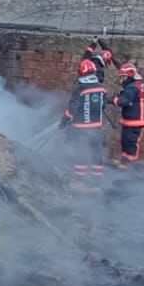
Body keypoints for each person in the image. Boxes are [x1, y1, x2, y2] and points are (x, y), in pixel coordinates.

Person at [61, 48, 107, 184]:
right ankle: (96, 179)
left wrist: (65, 119)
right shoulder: (102, 88)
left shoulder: (79, 89)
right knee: (95, 152)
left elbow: (73, 108)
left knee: (80, 151)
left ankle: (80, 178)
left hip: (80, 128)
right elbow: (103, 106)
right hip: (96, 127)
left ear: (81, 73)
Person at [112, 62, 144, 165]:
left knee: (131, 144)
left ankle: (129, 166)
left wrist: (112, 99)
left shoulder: (132, 87)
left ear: (129, 75)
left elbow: (123, 101)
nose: (122, 80)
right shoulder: (135, 84)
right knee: (125, 142)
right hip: (131, 119)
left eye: (123, 77)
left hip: (136, 121)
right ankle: (124, 162)